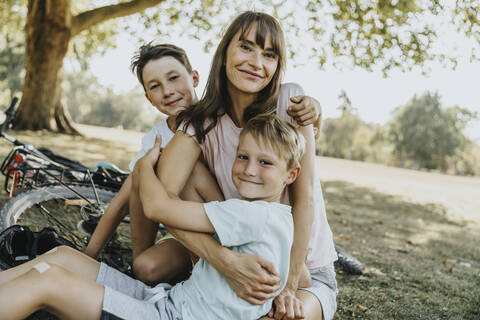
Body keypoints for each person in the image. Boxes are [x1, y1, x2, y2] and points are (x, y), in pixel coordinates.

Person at [0, 114, 308, 320]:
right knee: (64, 257)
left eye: (264, 162)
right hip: (169, 300)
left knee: (48, 280)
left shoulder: (250, 214)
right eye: (243, 157)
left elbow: (158, 206)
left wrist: (145, 166)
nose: (249, 169)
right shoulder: (279, 219)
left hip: (171, 316)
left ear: (291, 174)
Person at [140, 11, 338, 320]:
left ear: (276, 66)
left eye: (269, 54)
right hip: (241, 255)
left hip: (304, 272)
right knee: (181, 172)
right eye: (246, 47)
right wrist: (224, 261)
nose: (257, 62)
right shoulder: (201, 121)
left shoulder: (292, 102)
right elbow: (164, 201)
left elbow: (305, 199)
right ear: (224, 52)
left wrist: (288, 286)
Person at [84, 41, 324, 285]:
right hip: (195, 226)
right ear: (148, 98)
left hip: (236, 218)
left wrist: (316, 111)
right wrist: (89, 256)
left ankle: (214, 272)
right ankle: (140, 275)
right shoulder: (157, 138)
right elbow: (124, 200)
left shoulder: (220, 114)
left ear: (195, 77)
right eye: (155, 86)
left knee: (168, 173)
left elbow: (291, 140)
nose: (168, 91)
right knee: (145, 264)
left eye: (174, 78)